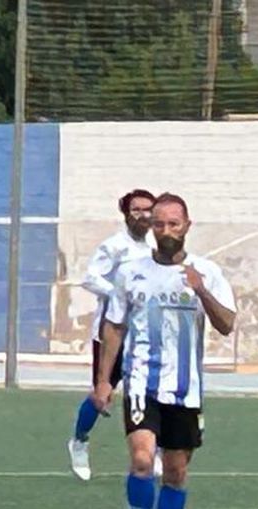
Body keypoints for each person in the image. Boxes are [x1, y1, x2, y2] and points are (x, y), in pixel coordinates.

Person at [91, 193, 235, 509]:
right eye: (159, 224)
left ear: (187, 226)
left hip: (185, 391)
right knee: (142, 460)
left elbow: (227, 324)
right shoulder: (130, 272)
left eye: (173, 224)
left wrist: (201, 289)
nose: (166, 230)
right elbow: (114, 326)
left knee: (175, 472)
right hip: (142, 383)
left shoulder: (207, 272)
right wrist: (103, 381)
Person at [67, 189, 155, 482]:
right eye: (136, 209)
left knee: (148, 393)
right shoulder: (114, 246)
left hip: (143, 334)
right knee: (101, 396)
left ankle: (150, 450)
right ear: (126, 214)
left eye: (147, 209)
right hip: (111, 332)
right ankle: (79, 440)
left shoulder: (155, 248)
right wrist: (120, 292)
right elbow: (91, 278)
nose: (142, 215)